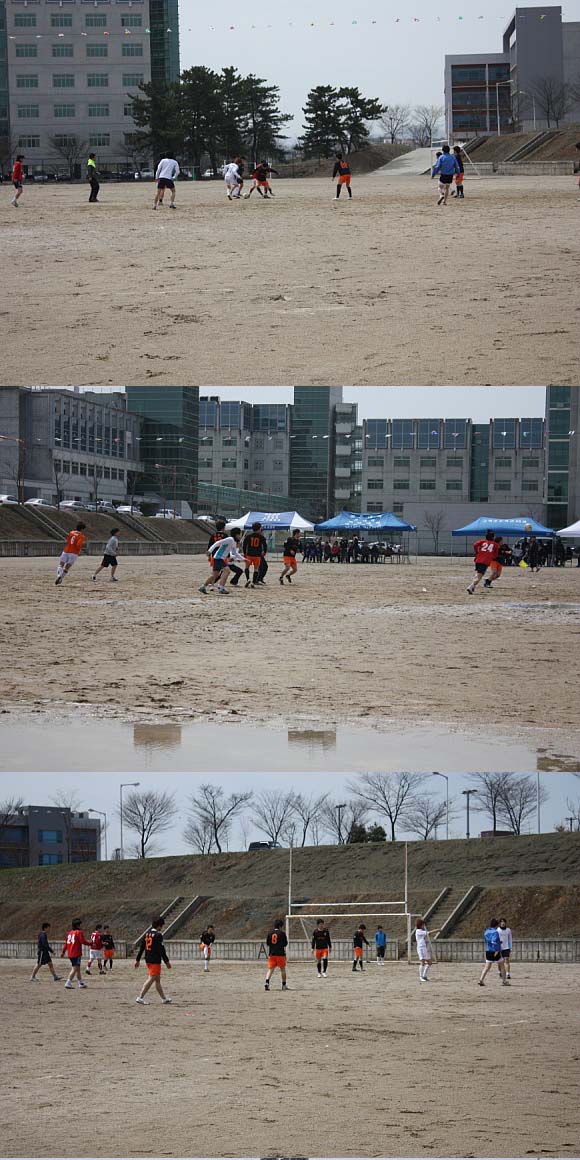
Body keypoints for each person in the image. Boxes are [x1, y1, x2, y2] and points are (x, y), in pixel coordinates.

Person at [135, 916, 172, 1004]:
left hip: (148, 959)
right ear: (159, 925)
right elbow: (161, 949)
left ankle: (164, 998)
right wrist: (166, 961)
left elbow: (142, 948)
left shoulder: (147, 934)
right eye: (161, 926)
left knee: (157, 980)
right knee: (151, 978)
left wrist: (137, 960)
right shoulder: (158, 935)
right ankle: (140, 997)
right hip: (155, 960)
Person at [200, 529, 246, 594]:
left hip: (218, 558)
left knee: (214, 576)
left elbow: (235, 553)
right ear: (236, 534)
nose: (241, 536)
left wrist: (244, 559)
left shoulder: (233, 542)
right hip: (219, 558)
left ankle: (203, 587)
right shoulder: (230, 539)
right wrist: (210, 551)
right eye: (240, 534)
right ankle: (221, 588)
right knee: (227, 571)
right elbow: (217, 543)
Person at [60, 919, 91, 989]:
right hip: (76, 953)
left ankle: (81, 983)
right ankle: (68, 982)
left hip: (70, 953)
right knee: (74, 969)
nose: (81, 926)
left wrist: (63, 952)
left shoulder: (70, 933)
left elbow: (66, 944)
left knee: (78, 969)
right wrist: (91, 944)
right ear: (77, 925)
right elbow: (83, 941)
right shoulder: (79, 932)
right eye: (80, 925)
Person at [479, 918, 509, 987]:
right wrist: (497, 945)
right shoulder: (495, 932)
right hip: (495, 951)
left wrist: (497, 942)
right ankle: (504, 981)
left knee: (487, 967)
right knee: (502, 965)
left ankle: (481, 979)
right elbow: (493, 941)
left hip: (488, 950)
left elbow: (487, 941)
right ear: (496, 925)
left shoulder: (486, 931)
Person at [467, 529, 498, 595]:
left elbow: (475, 545)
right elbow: (495, 555)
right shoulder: (495, 544)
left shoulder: (482, 541)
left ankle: (473, 587)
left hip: (478, 559)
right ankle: (471, 586)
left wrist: (477, 552)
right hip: (485, 561)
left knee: (478, 573)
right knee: (479, 576)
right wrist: (490, 556)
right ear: (492, 537)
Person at [242, 521, 268, 588]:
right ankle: (253, 582)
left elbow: (244, 545)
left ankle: (248, 579)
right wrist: (264, 552)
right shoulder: (261, 537)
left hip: (249, 554)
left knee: (247, 567)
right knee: (256, 569)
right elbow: (265, 545)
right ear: (259, 529)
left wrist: (244, 553)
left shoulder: (248, 536)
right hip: (257, 555)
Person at [265, 919, 288, 991]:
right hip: (280, 954)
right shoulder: (282, 933)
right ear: (280, 926)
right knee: (282, 969)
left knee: (270, 970)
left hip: (272, 954)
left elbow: (268, 943)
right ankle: (284, 985)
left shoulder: (270, 933)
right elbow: (285, 944)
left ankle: (267, 982)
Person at [415, 918, 441, 983]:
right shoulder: (418, 931)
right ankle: (421, 977)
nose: (423, 926)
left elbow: (428, 934)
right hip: (420, 948)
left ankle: (424, 976)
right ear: (420, 925)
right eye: (423, 925)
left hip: (424, 948)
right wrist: (437, 930)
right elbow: (429, 933)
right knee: (422, 961)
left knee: (430, 962)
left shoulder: (422, 931)